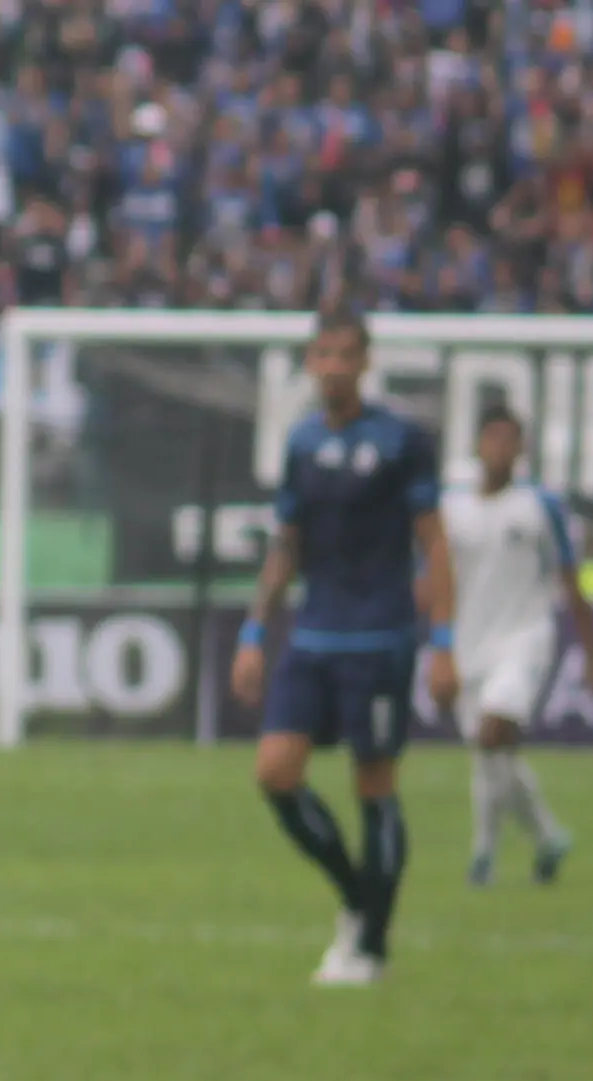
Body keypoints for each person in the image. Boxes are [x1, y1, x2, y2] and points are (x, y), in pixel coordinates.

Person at [227, 310, 455, 988]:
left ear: (364, 362)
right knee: (274, 771)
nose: (331, 366)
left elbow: (433, 542)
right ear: (308, 363)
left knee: (374, 786)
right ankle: (358, 901)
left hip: (379, 639)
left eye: (343, 354)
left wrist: (441, 641)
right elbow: (286, 544)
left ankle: (371, 949)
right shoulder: (299, 443)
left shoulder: (400, 440)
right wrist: (251, 633)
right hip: (311, 635)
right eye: (320, 354)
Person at [438, 403, 592, 889]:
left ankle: (482, 858)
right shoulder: (451, 505)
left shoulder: (539, 506)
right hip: (469, 645)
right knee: (493, 756)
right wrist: (436, 644)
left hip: (525, 639)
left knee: (491, 735)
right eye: (494, 437)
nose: (502, 448)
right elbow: (435, 579)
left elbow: (570, 579)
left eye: (511, 439)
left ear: (521, 448)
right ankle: (547, 836)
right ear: (478, 444)